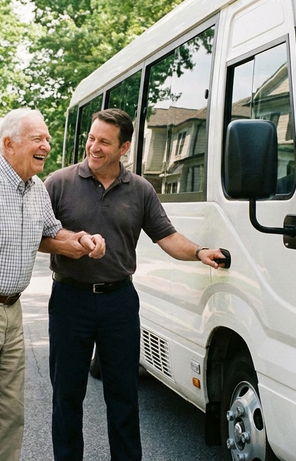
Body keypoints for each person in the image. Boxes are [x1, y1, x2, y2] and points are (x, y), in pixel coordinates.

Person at [40, 108, 228, 461]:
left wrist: (200, 252)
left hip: (119, 302)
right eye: (91, 138)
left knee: (123, 394)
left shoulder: (140, 189)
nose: (94, 147)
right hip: (70, 300)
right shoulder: (59, 182)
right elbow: (38, 236)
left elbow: (167, 237)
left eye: (104, 142)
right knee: (66, 395)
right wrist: (71, 243)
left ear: (124, 147)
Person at [0, 108, 105, 461]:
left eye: (47, 138)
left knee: (10, 416)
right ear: (9, 144)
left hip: (12, 312)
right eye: (37, 138)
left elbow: (51, 234)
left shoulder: (36, 188)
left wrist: (81, 241)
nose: (47, 144)